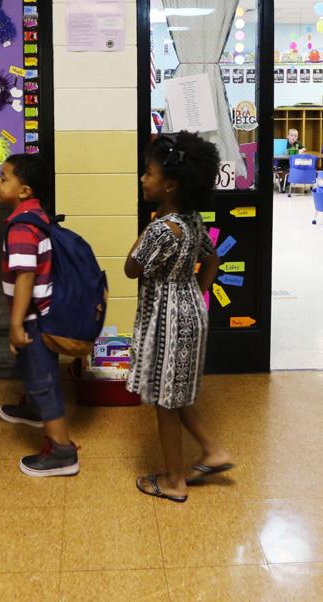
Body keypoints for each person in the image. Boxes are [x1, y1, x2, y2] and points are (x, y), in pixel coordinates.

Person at [125, 132, 232, 503]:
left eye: (148, 173)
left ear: (169, 185)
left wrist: (146, 229)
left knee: (166, 404)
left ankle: (174, 481)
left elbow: (130, 269)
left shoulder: (161, 229)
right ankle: (213, 450)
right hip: (191, 312)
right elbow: (213, 260)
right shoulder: (191, 221)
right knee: (177, 392)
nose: (143, 179)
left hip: (166, 321)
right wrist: (195, 297)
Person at [0, 153, 79, 477]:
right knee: (33, 370)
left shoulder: (21, 228)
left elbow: (25, 277)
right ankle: (32, 407)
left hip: (34, 318)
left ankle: (63, 451)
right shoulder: (37, 217)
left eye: (4, 178)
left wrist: (16, 323)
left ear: (25, 190)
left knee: (43, 379)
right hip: (42, 313)